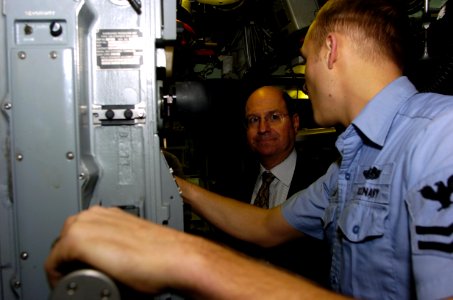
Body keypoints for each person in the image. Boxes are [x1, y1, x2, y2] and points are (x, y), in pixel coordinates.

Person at [46, 0, 453, 299]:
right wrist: (174, 184)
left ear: (330, 50)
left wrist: (184, 259)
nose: (306, 77)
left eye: (307, 60)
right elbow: (265, 226)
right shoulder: (352, 164)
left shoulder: (440, 135)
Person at [208, 85, 331, 285]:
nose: (263, 129)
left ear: (295, 122)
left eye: (274, 117)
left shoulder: (322, 182)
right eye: (254, 120)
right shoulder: (230, 186)